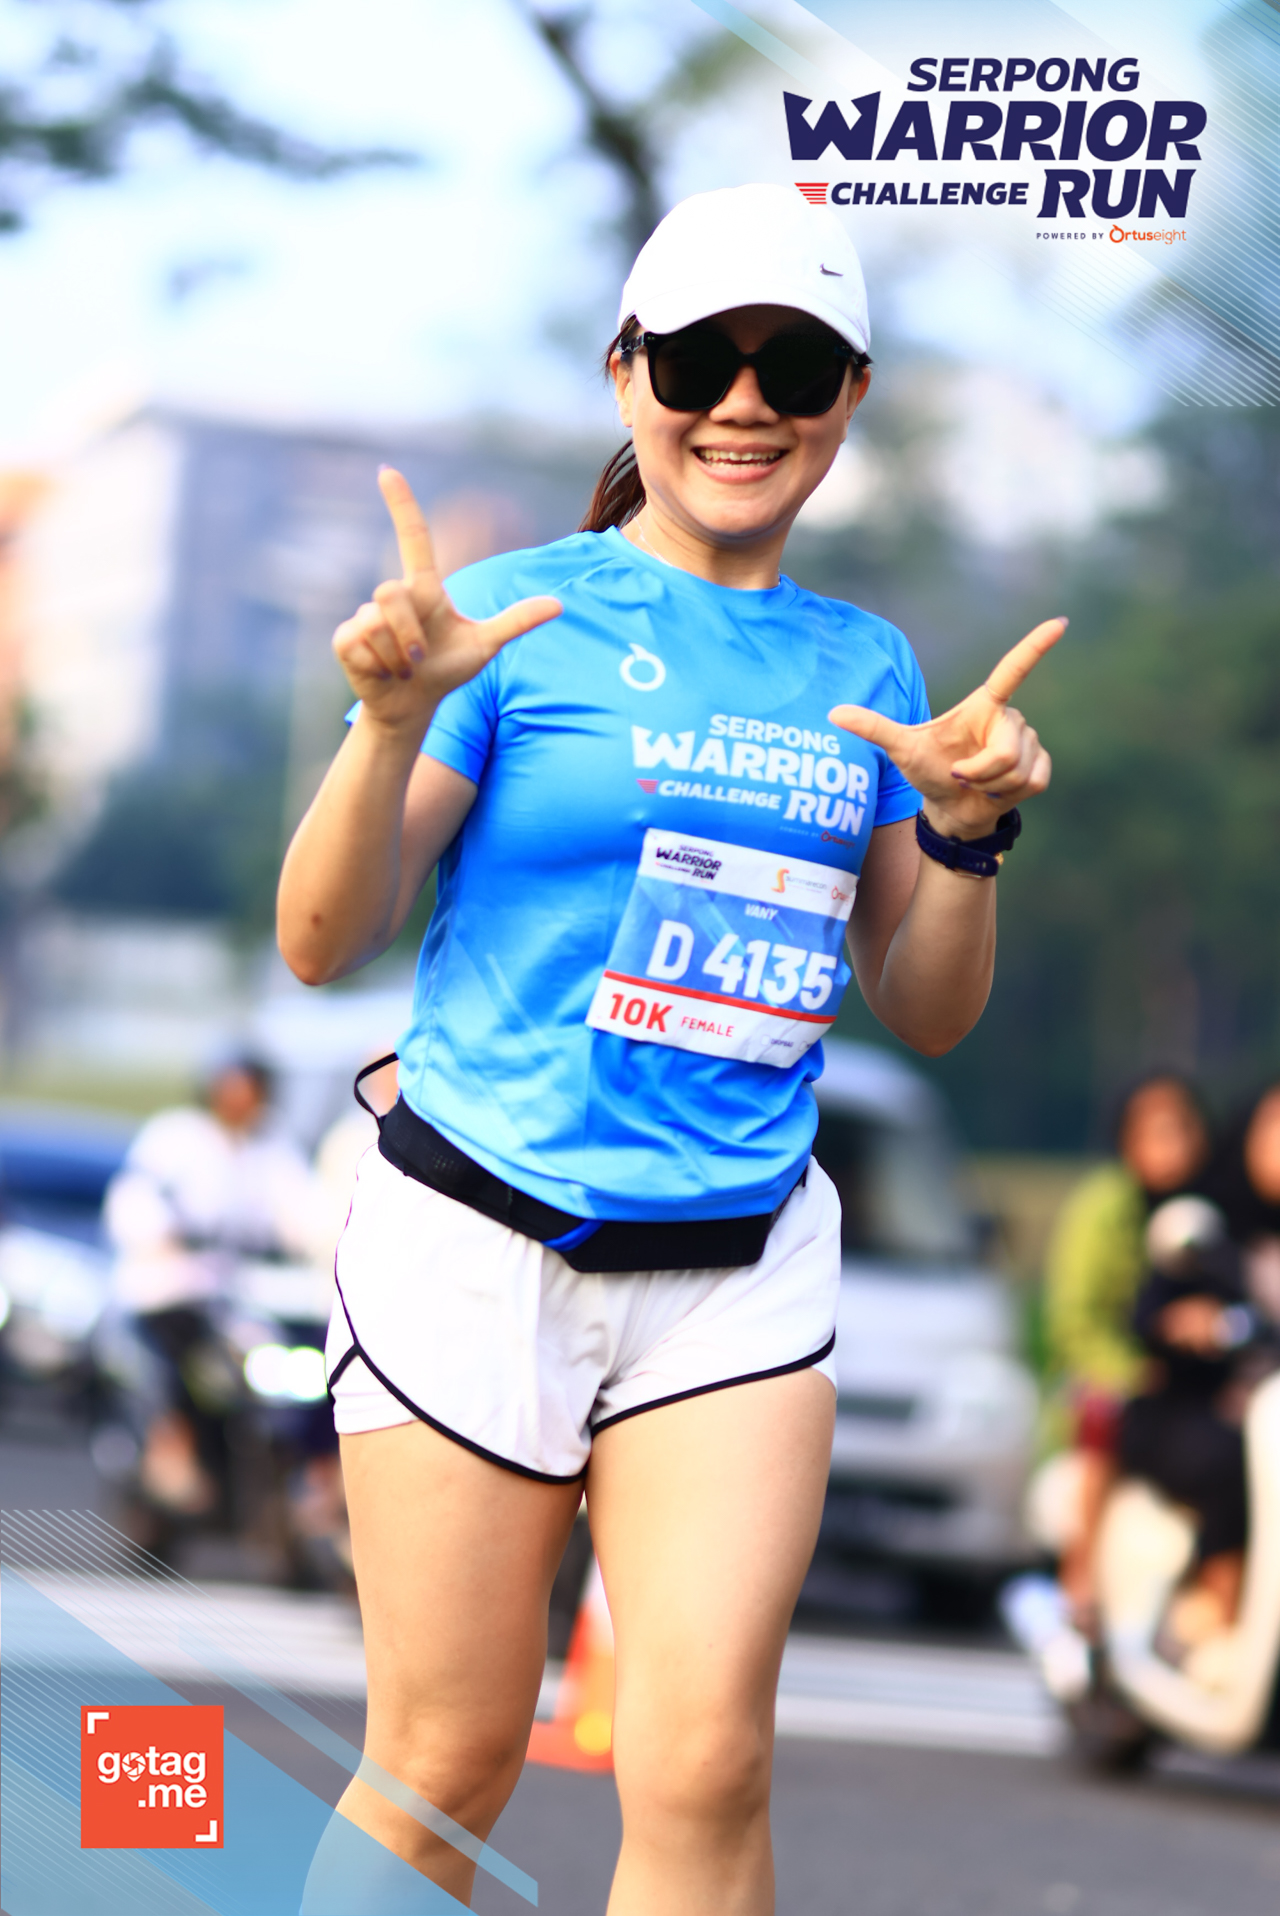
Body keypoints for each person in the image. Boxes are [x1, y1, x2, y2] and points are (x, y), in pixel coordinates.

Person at [278, 183, 1061, 1916]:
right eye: (703, 360)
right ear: (628, 372)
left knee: (707, 1764)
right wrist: (391, 722)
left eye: (797, 368)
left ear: (852, 398)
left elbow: (927, 1008)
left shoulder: (869, 666)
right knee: (445, 1766)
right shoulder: (511, 619)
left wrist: (965, 840)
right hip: (476, 1242)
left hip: (734, 1265)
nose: (744, 405)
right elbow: (323, 939)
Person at [104, 1055, 321, 1519]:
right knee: (171, 1350)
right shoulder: (175, 1136)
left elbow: (304, 1214)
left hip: (243, 1293)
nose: (240, 1102)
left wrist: (323, 1244)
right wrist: (160, 1237)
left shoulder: (274, 1147)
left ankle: (301, 1469)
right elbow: (135, 1200)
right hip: (174, 1284)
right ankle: (171, 1444)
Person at [1042, 1074, 1211, 1618]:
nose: (1174, 1146)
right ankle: (1079, 1575)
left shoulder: (1203, 1208)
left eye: (1184, 1129)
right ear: (1128, 1139)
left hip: (1181, 1380)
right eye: (1159, 1132)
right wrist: (1131, 1370)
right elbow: (1073, 1319)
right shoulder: (1105, 1207)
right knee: (1105, 1409)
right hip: (1108, 1374)